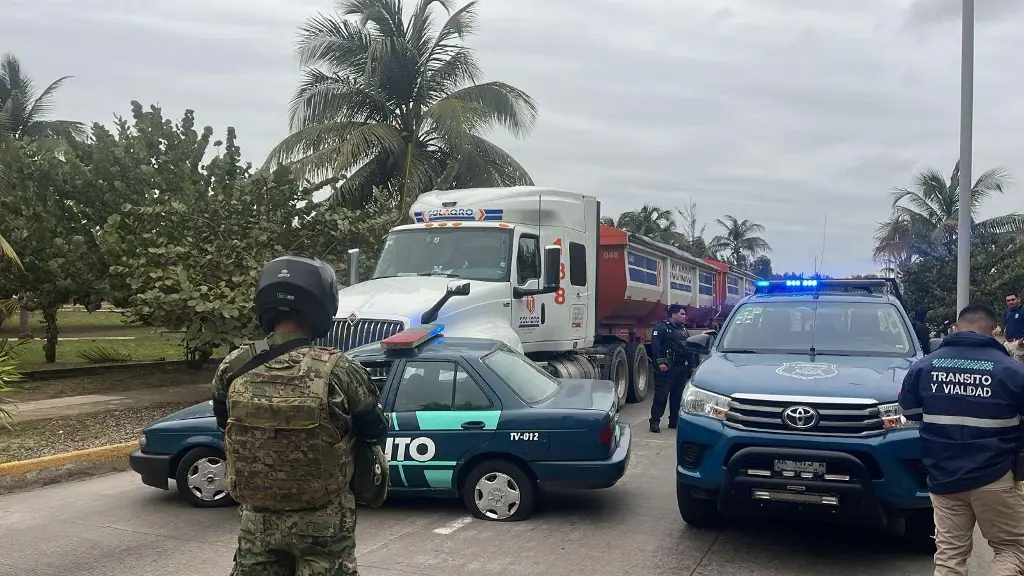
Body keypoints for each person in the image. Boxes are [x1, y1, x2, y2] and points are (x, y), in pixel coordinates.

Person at [212, 254, 389, 576]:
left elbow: (224, 424)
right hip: (323, 523)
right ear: (322, 305)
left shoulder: (234, 366)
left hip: (257, 522)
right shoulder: (339, 369)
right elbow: (375, 429)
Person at [897, 304, 1024, 576]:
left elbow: (909, 412)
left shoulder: (924, 367)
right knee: (1011, 549)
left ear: (955, 328)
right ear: (994, 331)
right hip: (997, 475)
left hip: (944, 475)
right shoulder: (1013, 371)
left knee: (949, 556)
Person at [649, 304, 691, 433]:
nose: (684, 316)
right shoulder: (661, 328)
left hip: (680, 368)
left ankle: (674, 421)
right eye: (682, 314)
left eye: (684, 314)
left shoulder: (683, 329)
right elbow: (655, 347)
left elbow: (688, 348)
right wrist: (661, 363)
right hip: (666, 368)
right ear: (673, 315)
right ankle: (655, 422)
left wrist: (691, 365)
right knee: (661, 396)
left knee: (677, 396)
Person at [1004, 293, 1024, 361]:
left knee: (1018, 367)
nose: (1010, 302)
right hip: (1007, 344)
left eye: (1013, 299)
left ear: (1018, 299)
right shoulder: (1007, 312)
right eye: (1008, 300)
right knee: (1007, 365)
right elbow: (1007, 326)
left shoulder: (1023, 311)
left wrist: (1022, 341)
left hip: (1019, 343)